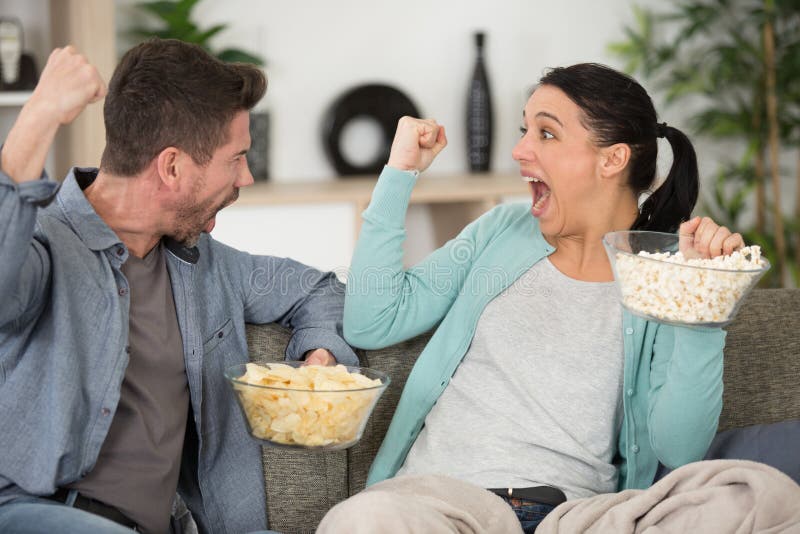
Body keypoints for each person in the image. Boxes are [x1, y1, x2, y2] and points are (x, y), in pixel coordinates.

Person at [317, 63, 745, 534]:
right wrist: (400, 172)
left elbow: (679, 448)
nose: (520, 150)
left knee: (756, 496)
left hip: (573, 517)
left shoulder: (662, 276)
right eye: (526, 130)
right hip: (443, 505)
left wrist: (707, 305)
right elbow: (372, 321)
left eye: (546, 134)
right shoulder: (502, 231)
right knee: (364, 519)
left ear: (612, 159)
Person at [0, 39, 357, 534]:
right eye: (236, 159)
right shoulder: (43, 249)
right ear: (172, 167)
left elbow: (318, 288)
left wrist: (320, 355)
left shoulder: (205, 266)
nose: (247, 177)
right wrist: (38, 114)